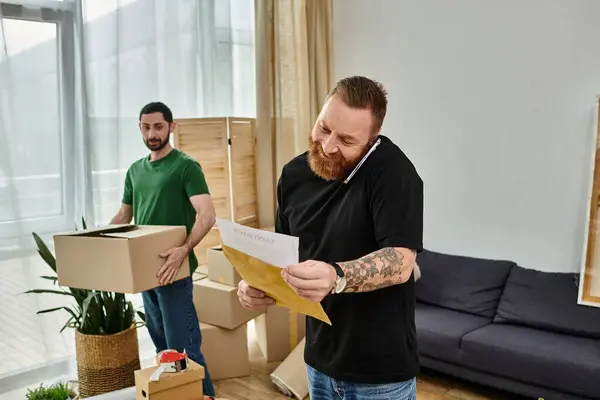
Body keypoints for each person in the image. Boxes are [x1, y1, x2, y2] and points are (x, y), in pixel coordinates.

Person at [237, 76, 423, 399]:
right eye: (324, 128)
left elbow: (401, 261)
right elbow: (284, 254)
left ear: (372, 139)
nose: (327, 146)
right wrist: (257, 284)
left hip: (379, 375)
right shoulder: (293, 176)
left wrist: (337, 275)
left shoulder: (394, 174)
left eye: (347, 141)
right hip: (317, 362)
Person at [110, 101, 216, 396]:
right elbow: (123, 216)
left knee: (185, 352)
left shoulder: (185, 166)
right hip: (146, 273)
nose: (151, 133)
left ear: (171, 126)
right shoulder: (134, 171)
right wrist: (97, 239)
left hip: (175, 272)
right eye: (145, 127)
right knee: (163, 351)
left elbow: (207, 215)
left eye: (158, 126)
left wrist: (183, 250)